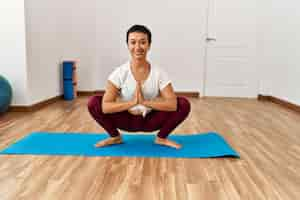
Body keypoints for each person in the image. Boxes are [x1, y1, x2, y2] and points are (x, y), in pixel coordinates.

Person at [88, 24, 191, 149]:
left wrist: (144, 102)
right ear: (128, 45)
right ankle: (115, 137)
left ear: (149, 45)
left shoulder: (159, 72)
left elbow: (172, 104)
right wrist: (132, 103)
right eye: (133, 42)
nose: (137, 47)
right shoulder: (119, 73)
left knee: (183, 104)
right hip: (126, 120)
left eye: (142, 42)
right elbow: (105, 106)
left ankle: (161, 138)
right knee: (94, 102)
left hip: (150, 120)